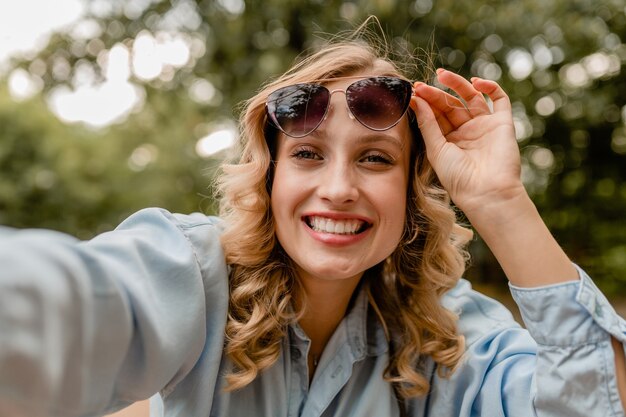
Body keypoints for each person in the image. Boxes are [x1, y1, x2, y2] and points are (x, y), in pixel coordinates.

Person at [1, 33, 625, 417]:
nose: (338, 188)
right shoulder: (189, 274)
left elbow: (598, 400)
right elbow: (60, 311)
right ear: (270, 178)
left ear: (412, 196)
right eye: (306, 153)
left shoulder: (448, 335)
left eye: (375, 159)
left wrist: (502, 201)